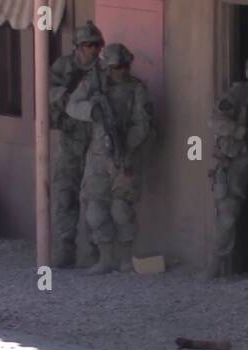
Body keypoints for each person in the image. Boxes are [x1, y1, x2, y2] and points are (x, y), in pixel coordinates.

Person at [67, 43, 153, 274]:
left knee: (121, 210)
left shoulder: (136, 89)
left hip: (125, 155)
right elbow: (71, 106)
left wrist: (125, 147)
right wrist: (91, 110)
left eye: (125, 66)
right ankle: (105, 258)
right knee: (95, 210)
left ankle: (126, 258)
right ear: (106, 67)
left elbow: (142, 124)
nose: (122, 71)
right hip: (97, 156)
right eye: (116, 67)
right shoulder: (94, 84)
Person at [49, 21, 104, 269]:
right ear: (77, 47)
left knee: (94, 194)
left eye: (96, 45)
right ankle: (65, 247)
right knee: (65, 193)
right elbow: (45, 89)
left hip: (95, 137)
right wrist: (64, 96)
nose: (92, 50)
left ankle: (94, 250)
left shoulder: (104, 72)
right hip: (71, 135)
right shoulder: (63, 67)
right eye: (87, 45)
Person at [207, 55, 248, 278]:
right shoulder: (238, 93)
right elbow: (215, 120)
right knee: (227, 216)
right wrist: (239, 131)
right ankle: (216, 267)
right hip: (235, 160)